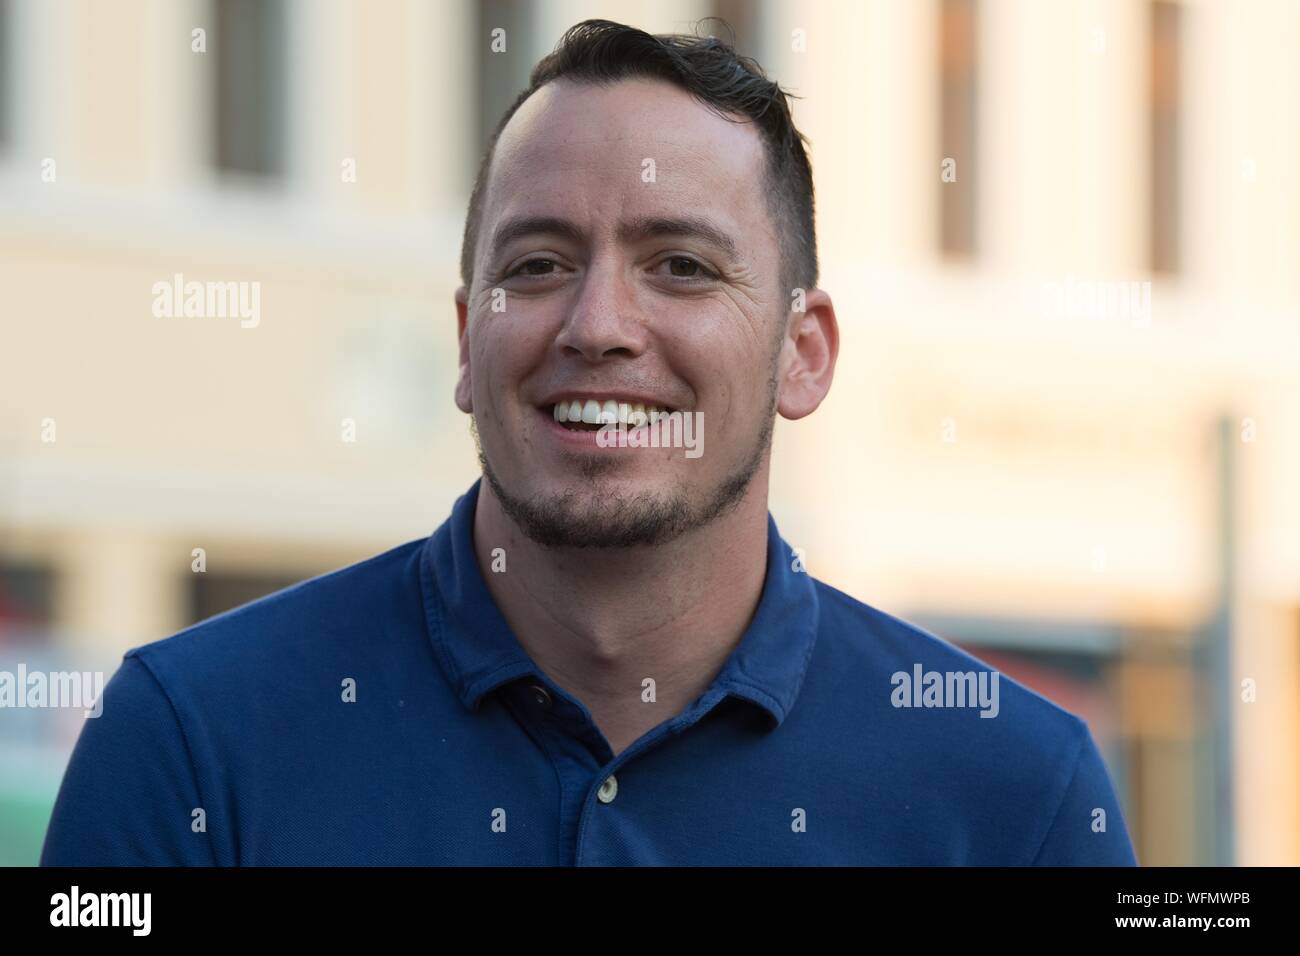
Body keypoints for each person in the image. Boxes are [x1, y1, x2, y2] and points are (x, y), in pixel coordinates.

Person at [41, 19, 1136, 866]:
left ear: (802, 353)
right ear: (467, 347)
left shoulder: (1020, 794)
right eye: (538, 263)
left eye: (682, 266)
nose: (600, 325)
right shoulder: (188, 741)